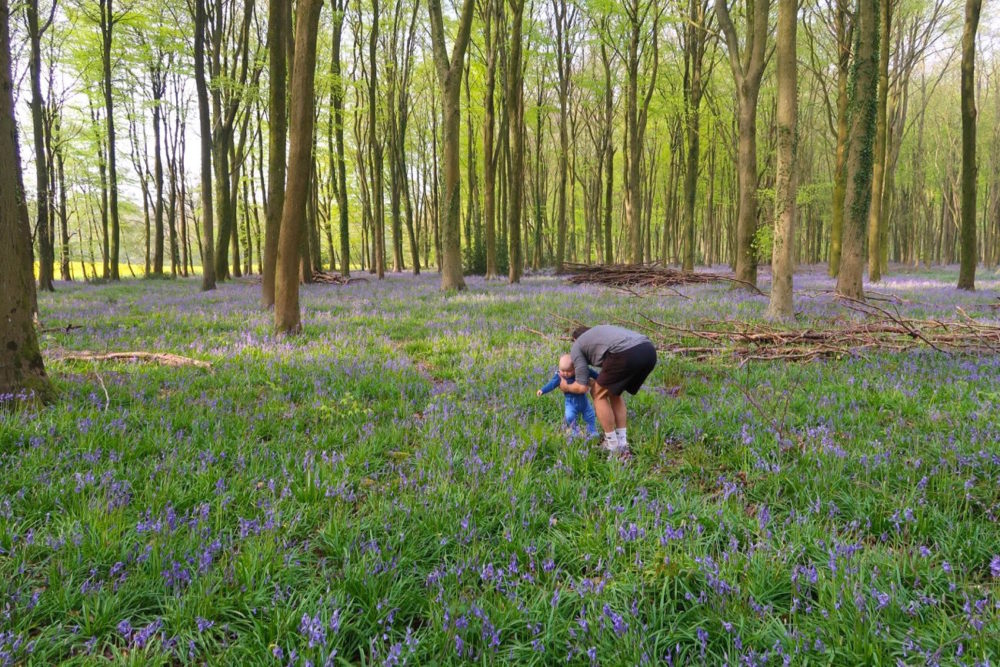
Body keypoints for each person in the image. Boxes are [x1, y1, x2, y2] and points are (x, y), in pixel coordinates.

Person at [560, 325, 657, 455]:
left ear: (575, 339)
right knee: (613, 392)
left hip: (626, 354)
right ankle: (622, 443)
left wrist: (566, 386)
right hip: (648, 351)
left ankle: (612, 444)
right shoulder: (599, 334)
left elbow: (581, 387)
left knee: (597, 393)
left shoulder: (578, 345)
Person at [537, 354, 600, 437]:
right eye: (562, 370)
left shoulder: (580, 372)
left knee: (590, 415)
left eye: (568, 371)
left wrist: (599, 378)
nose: (565, 373)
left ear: (575, 368)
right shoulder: (559, 376)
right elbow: (551, 384)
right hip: (570, 403)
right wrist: (543, 390)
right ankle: (574, 430)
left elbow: (590, 372)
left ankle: (592, 431)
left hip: (584, 402)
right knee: (570, 416)